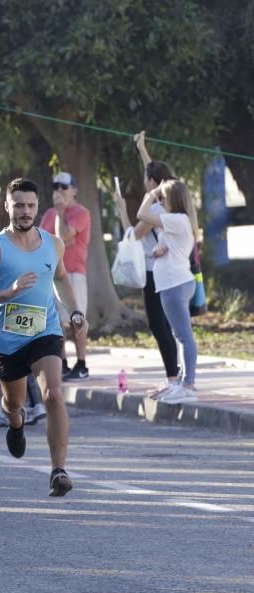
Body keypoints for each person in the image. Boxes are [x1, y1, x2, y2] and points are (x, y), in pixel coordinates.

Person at [0, 178, 80, 497]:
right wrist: (9, 292)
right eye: (19, 205)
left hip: (46, 332)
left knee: (54, 393)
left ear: (37, 206)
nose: (25, 211)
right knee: (13, 404)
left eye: (30, 205)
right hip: (8, 340)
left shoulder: (53, 243)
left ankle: (58, 470)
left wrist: (74, 311)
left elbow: (61, 278)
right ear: (7, 207)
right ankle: (15, 422)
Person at [125, 131, 181, 395]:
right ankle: (174, 375)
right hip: (166, 272)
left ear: (153, 183)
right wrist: (142, 148)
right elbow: (156, 173)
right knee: (165, 325)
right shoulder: (169, 202)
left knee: (159, 326)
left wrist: (120, 207)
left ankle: (173, 377)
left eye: (147, 180)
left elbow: (132, 235)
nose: (143, 182)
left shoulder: (154, 211)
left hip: (153, 272)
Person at [135, 180, 200, 404]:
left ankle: (189, 386)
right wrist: (159, 249)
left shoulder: (177, 219)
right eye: (158, 197)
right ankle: (182, 382)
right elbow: (172, 247)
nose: (160, 201)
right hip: (172, 284)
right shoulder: (176, 222)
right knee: (179, 336)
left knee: (184, 336)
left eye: (163, 197)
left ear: (173, 199)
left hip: (175, 284)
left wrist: (151, 193)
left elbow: (142, 215)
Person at [40, 172, 91, 380]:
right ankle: (62, 363)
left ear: (74, 190)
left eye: (64, 187)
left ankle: (82, 364)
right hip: (51, 274)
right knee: (56, 321)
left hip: (74, 272)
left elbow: (62, 236)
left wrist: (61, 212)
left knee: (76, 318)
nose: (59, 191)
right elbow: (42, 240)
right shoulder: (48, 214)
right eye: (56, 187)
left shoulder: (81, 213)